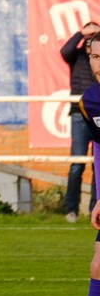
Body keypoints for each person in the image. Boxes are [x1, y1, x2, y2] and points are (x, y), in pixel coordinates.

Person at [58, 32, 100, 296]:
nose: (98, 64)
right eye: (94, 57)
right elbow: (99, 152)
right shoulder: (91, 100)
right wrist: (99, 197)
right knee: (98, 267)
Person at [60, 22, 100, 223]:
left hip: (96, 111)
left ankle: (95, 206)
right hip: (79, 113)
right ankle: (71, 210)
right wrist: (81, 33)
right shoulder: (77, 57)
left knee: (97, 166)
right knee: (77, 163)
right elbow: (65, 50)